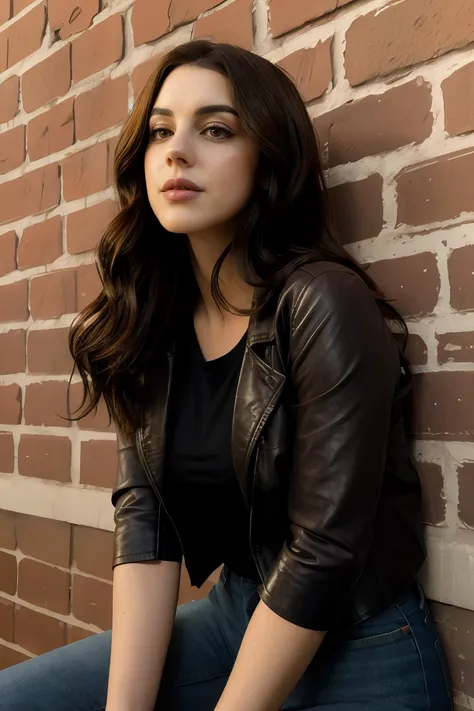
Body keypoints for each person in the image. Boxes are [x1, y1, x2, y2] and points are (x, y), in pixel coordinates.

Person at [0, 40, 453, 711]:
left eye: (215, 129)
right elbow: (146, 520)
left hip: (360, 648)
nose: (177, 151)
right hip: (233, 618)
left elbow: (325, 551)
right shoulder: (152, 319)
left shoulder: (322, 301)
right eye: (160, 131)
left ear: (268, 156)